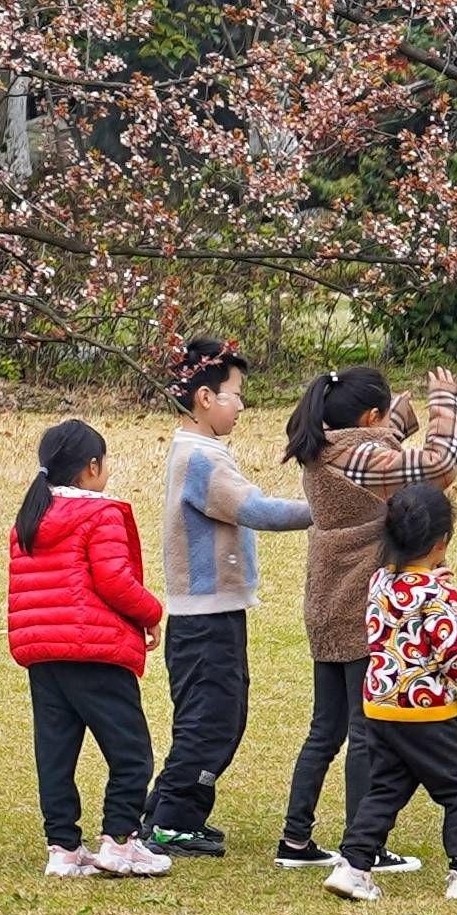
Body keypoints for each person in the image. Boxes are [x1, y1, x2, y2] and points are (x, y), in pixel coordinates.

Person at [281, 362, 457, 868]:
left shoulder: (321, 446)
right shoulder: (358, 456)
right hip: (360, 610)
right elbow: (437, 467)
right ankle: (361, 845)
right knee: (365, 732)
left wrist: (395, 421)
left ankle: (295, 839)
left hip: (325, 604)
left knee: (325, 729)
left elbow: (375, 447)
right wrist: (448, 404)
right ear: (368, 416)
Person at [140, 338, 316, 855]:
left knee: (223, 716)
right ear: (204, 399)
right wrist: (324, 511)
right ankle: (172, 820)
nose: (242, 405)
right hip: (204, 618)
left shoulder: (204, 452)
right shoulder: (199, 459)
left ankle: (175, 812)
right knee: (209, 721)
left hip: (218, 612)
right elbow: (255, 509)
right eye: (235, 394)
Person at [5, 419, 170, 878]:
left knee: (56, 751)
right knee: (130, 749)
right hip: (95, 650)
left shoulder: (29, 520)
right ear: (91, 467)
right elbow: (114, 579)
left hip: (44, 652)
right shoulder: (101, 515)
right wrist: (151, 612)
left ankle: (63, 848)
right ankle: (120, 840)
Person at [333, 476, 457, 899]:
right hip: (425, 711)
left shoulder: (378, 582)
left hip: (380, 706)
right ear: (441, 541)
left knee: (386, 788)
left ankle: (353, 867)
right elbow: (452, 652)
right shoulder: (437, 593)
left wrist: (435, 582)